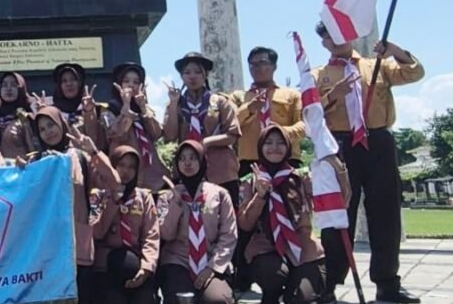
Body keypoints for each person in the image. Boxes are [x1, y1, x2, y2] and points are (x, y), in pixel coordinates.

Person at [312, 23, 424, 304]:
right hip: (340, 145)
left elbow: (415, 72)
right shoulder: (317, 75)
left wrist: (393, 50)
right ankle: (330, 281)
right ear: (323, 42)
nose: (336, 40)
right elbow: (309, 113)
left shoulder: (377, 66)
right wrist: (332, 96)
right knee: (339, 216)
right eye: (328, 36)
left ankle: (387, 282)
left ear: (351, 34)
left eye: (340, 32)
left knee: (386, 214)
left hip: (377, 141)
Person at [229, 46, 305, 291]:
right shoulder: (239, 97)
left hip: (285, 164)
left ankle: (294, 265)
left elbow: (304, 124)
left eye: (263, 63)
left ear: (274, 66)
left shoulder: (291, 95)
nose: (258, 68)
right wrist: (250, 108)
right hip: (249, 164)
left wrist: (279, 135)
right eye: (253, 64)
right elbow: (230, 123)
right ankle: (243, 273)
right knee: (247, 219)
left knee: (290, 214)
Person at [29, 106, 115, 304]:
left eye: (51, 125)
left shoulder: (81, 157)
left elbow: (114, 182)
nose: (48, 132)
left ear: (62, 124)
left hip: (76, 250)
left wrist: (93, 151)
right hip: (45, 252)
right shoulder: (35, 161)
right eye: (42, 129)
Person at [237, 127, 330, 304]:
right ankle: (271, 295)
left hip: (302, 248)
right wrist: (260, 196)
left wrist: (336, 168)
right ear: (260, 147)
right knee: (272, 273)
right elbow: (245, 224)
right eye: (269, 143)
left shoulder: (301, 177)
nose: (274, 148)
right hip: (266, 248)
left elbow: (329, 202)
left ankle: (295, 291)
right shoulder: (250, 181)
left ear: (288, 147)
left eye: (280, 143)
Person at [157, 140, 237, 304]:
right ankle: (193, 296)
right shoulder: (168, 196)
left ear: (202, 162)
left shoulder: (219, 194)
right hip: (179, 260)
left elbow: (229, 235)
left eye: (193, 158)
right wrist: (175, 205)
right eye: (182, 158)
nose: (187, 163)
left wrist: (212, 268)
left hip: (210, 259)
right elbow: (166, 235)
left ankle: (210, 293)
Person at [163, 52, 241, 204]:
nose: (192, 76)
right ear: (181, 76)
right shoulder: (176, 105)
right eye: (187, 72)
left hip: (220, 170)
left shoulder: (220, 101)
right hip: (188, 169)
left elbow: (233, 134)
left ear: (206, 74)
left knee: (225, 212)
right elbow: (170, 135)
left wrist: (207, 142)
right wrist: (173, 104)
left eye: (198, 72)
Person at [92, 145, 160, 304]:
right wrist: (113, 200)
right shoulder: (99, 196)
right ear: (112, 167)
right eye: (121, 165)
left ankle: (137, 291)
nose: (126, 171)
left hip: (135, 264)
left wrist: (146, 267)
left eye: (131, 167)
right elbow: (97, 232)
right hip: (107, 266)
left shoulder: (144, 197)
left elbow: (151, 235)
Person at [107, 62, 168, 192]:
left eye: (136, 82)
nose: (131, 85)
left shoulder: (145, 110)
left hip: (151, 174)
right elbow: (117, 134)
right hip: (125, 172)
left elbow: (156, 134)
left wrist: (143, 108)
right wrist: (126, 107)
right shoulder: (110, 110)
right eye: (126, 81)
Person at [52, 63, 105, 150]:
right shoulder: (52, 112)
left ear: (80, 83)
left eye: (73, 79)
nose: (69, 84)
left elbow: (98, 140)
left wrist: (89, 113)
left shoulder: (97, 110)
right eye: (64, 81)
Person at [0, 71, 32, 158]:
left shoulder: (26, 117)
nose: (8, 89)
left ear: (21, 89)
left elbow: (33, 149)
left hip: (21, 165)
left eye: (14, 85)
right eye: (4, 85)